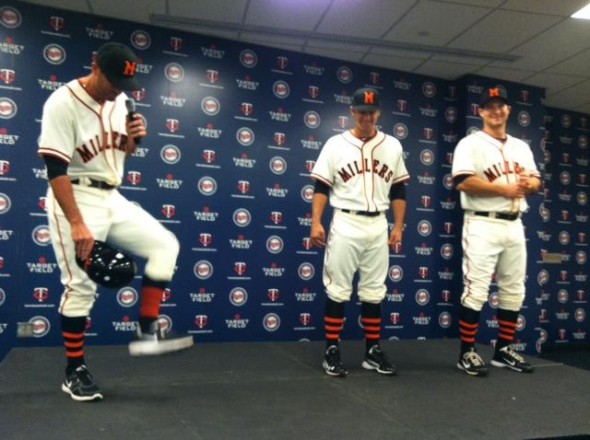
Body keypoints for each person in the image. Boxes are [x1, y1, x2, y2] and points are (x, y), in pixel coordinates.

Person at [38, 42, 193, 402]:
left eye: (124, 85)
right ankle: (73, 370)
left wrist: (134, 142)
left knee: (165, 245)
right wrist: (76, 223)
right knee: (80, 287)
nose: (117, 92)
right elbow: (55, 168)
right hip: (74, 197)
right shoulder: (63, 102)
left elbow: (118, 152)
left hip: (111, 195)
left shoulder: (122, 100)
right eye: (112, 83)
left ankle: (147, 331)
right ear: (95, 66)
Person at [310, 87, 409, 377]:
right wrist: (316, 221)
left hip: (378, 223)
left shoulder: (392, 145)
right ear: (352, 112)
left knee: (374, 292)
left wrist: (398, 226)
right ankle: (331, 348)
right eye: (361, 111)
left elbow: (399, 189)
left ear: (378, 113)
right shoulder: (334, 144)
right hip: (346, 221)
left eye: (371, 111)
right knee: (338, 289)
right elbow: (321, 187)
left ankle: (372, 351)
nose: (366, 116)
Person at [451, 87, 541, 377]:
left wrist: (531, 185)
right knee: (476, 289)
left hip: (514, 222)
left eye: (500, 106)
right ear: (480, 112)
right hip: (482, 222)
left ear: (508, 110)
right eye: (489, 107)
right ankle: (467, 352)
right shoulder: (470, 144)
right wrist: (504, 188)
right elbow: (463, 181)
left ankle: (503, 348)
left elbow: (537, 181)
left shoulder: (521, 147)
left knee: (514, 289)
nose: (495, 111)